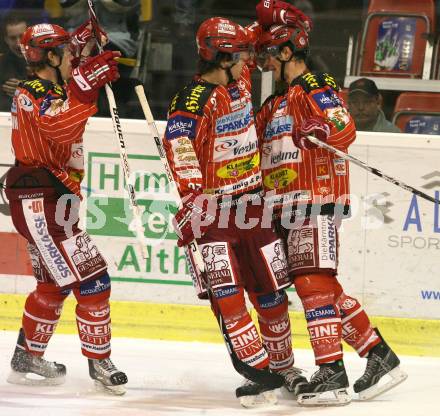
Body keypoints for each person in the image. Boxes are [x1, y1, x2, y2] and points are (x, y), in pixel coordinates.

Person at [254, 1, 407, 406]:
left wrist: (321, 127)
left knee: (313, 284)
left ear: (288, 51)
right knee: (324, 286)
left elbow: (343, 127)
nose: (264, 63)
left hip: (316, 198)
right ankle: (379, 355)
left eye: (270, 53)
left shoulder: (315, 85)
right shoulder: (273, 104)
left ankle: (331, 372)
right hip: (284, 207)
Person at [162, 16, 308, 407]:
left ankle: (284, 367)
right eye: (242, 55)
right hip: (214, 213)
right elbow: (178, 147)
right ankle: (257, 371)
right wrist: (193, 198)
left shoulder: (238, 83)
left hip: (255, 206)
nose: (250, 62)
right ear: (223, 57)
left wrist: (274, 17)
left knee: (272, 294)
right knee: (227, 297)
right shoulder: (192, 101)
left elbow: (264, 41)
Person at [4, 21, 127, 395]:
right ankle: (100, 363)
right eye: (68, 54)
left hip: (51, 196)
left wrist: (86, 37)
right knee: (94, 280)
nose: (75, 59)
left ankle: (27, 355)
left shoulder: (51, 83)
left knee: (53, 284)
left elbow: (70, 62)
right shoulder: (35, 92)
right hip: (40, 197)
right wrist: (86, 85)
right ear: (52, 57)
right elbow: (61, 128)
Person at [0, 11, 28, 111]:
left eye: (21, 36)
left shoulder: (49, 59)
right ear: (6, 39)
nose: (18, 43)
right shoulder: (1, 65)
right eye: (12, 38)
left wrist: (26, 90)